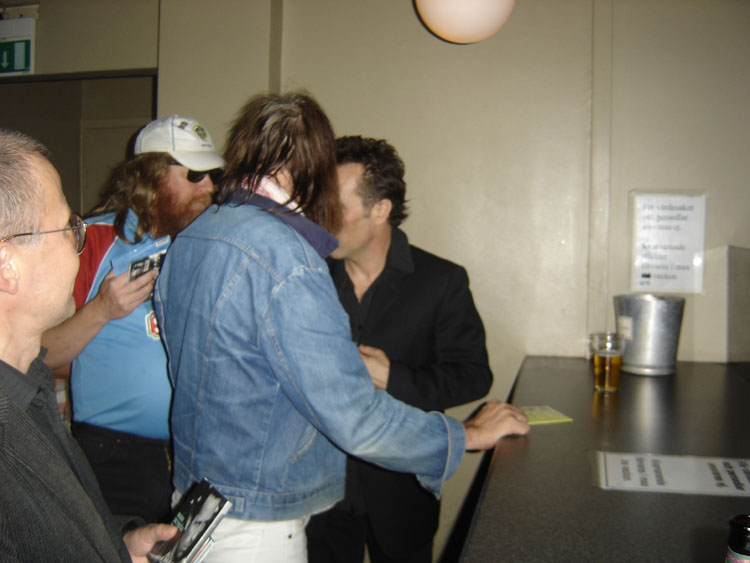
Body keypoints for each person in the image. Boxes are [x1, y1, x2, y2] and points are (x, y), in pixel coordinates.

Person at [153, 91, 530, 563]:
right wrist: (466, 436)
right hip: (260, 516)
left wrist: (393, 377)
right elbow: (352, 416)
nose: (325, 206)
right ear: (304, 169)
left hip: (200, 502)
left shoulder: (194, 236)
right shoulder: (290, 261)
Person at [306, 135, 493, 563]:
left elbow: (473, 375)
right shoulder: (307, 278)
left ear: (380, 210)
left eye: (334, 204)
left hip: (401, 493)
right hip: (319, 495)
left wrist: (393, 377)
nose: (320, 217)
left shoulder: (441, 281)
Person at [0, 128, 176, 561]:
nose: (77, 242)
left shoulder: (31, 385)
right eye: (68, 227)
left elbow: (53, 531)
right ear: (7, 267)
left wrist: (117, 545)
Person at [41, 115, 223, 523]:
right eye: (195, 175)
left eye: (213, 174)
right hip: (115, 456)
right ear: (152, 176)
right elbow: (40, 354)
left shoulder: (206, 246)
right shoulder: (90, 242)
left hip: (194, 453)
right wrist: (101, 309)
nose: (210, 186)